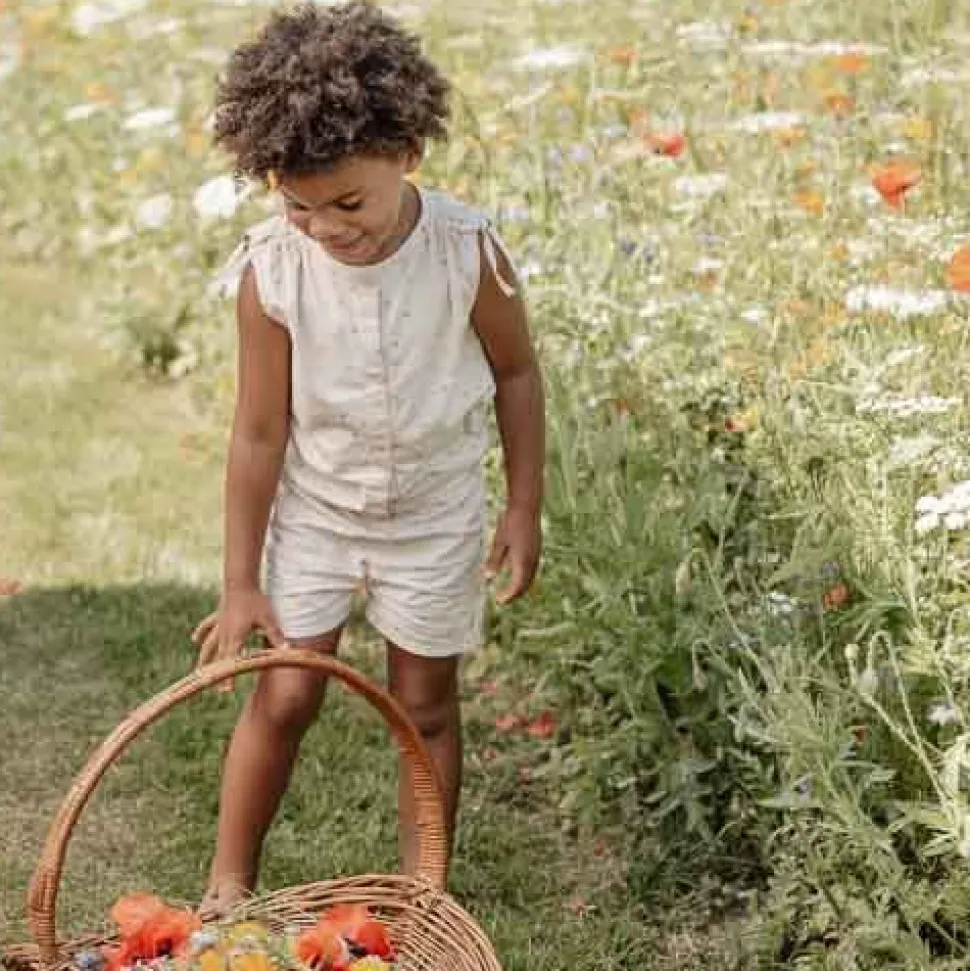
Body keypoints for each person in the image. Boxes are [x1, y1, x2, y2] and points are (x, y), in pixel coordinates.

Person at [190, 0, 545, 911]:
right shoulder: (274, 271)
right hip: (316, 513)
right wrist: (241, 581)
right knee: (284, 695)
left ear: (407, 155)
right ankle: (229, 881)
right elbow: (259, 433)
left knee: (424, 706)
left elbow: (516, 373)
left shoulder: (467, 252)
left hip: (434, 514)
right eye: (299, 205)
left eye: (348, 202)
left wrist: (521, 507)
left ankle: (421, 892)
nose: (326, 227)